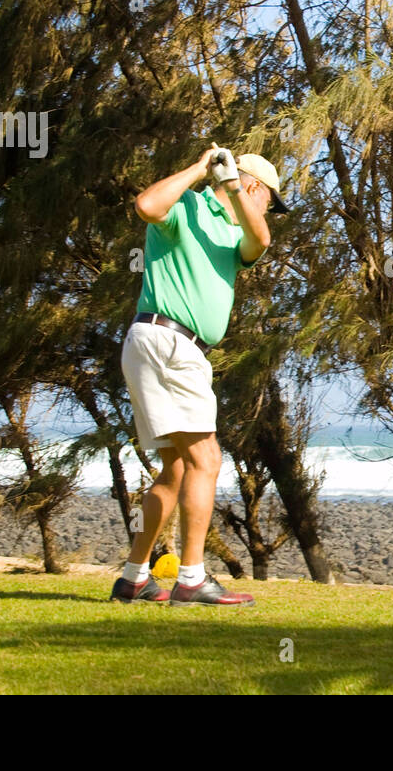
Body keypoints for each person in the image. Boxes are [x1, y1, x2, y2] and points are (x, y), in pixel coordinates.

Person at [110, 145, 288, 606]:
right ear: (253, 187)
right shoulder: (187, 205)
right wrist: (199, 168)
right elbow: (147, 206)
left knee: (174, 471)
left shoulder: (235, 236)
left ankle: (133, 577)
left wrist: (229, 185)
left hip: (151, 344)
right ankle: (191, 579)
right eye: (268, 198)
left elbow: (261, 240)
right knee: (206, 460)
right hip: (171, 343)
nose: (267, 208)